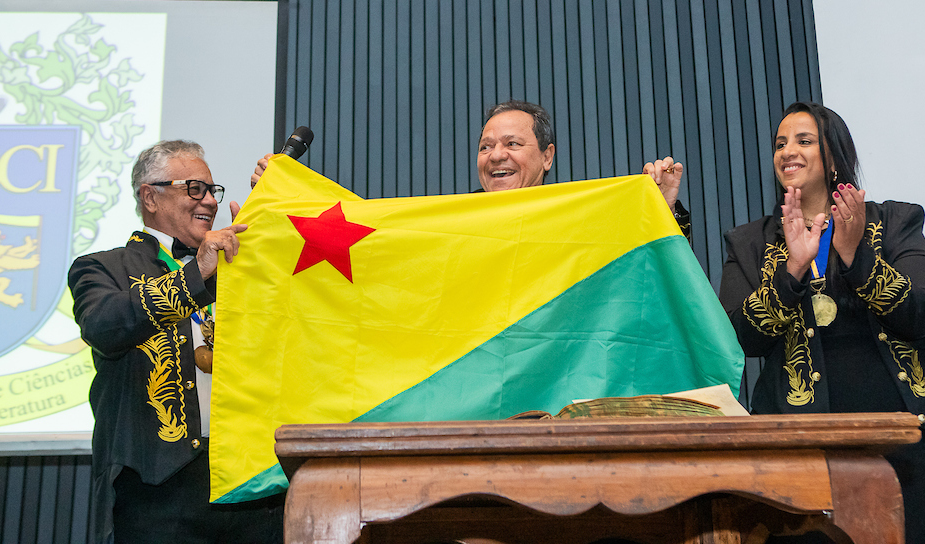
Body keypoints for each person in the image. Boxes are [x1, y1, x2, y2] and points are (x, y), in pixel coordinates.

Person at [719, 102, 925, 544]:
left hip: (903, 437)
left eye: (803, 140)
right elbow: (742, 338)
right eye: (780, 143)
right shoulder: (750, 241)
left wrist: (859, 258)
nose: (786, 151)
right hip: (797, 446)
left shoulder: (893, 221)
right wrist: (791, 273)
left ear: (834, 157)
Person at [69, 140, 283, 544]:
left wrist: (273, 212)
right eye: (195, 189)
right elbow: (104, 325)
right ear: (150, 196)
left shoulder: (239, 266)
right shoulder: (102, 267)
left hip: (251, 485)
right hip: (155, 489)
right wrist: (197, 273)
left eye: (212, 191)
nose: (210, 202)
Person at [252, 100, 692, 232]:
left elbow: (654, 275)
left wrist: (663, 210)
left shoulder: (585, 218)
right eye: (485, 146)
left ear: (548, 156)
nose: (496, 155)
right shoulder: (449, 223)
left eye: (512, 143)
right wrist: (283, 201)